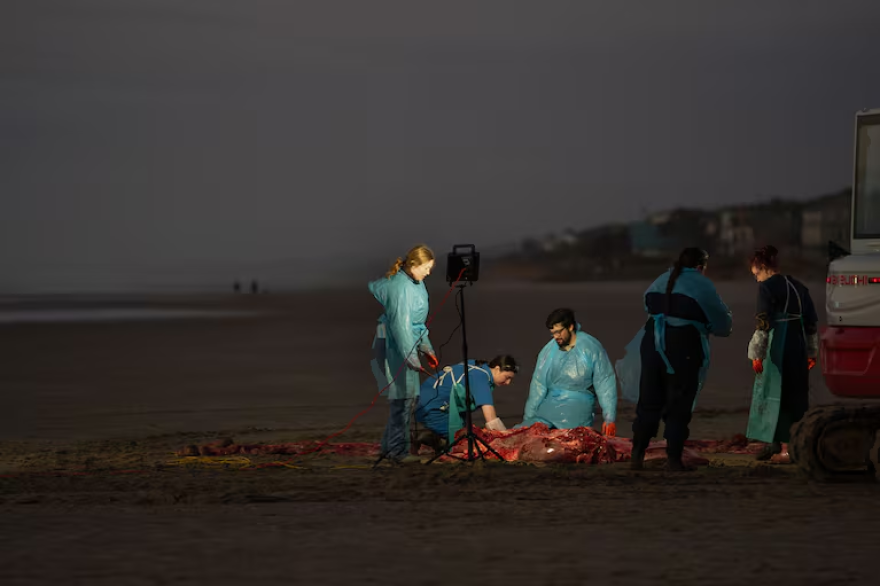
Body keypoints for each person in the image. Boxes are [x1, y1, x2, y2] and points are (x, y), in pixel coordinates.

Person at [628, 248, 733, 471]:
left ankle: (636, 455)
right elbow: (722, 323)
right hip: (683, 346)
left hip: (652, 343)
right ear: (700, 266)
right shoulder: (702, 284)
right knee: (679, 400)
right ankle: (674, 459)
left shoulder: (662, 279)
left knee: (649, 400)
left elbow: (648, 304)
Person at [746, 245, 819, 461]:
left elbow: (763, 322)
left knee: (772, 391)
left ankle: (773, 442)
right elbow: (812, 322)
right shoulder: (799, 287)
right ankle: (797, 442)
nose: (757, 279)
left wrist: (757, 354)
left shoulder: (767, 288)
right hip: (797, 343)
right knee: (796, 392)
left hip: (777, 344)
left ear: (762, 267)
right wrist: (812, 351)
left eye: (756, 274)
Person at [368, 244, 439, 464]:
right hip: (395, 345)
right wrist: (412, 358)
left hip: (407, 344)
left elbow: (417, 325)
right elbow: (401, 327)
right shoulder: (401, 288)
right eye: (426, 268)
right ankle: (397, 451)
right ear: (414, 265)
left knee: (406, 399)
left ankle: (389, 448)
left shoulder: (417, 284)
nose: (428, 273)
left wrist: (427, 349)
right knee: (403, 399)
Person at [520, 308, 618, 434]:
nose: (556, 337)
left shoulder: (590, 347)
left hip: (578, 409)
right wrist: (528, 419)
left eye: (559, 332)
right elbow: (538, 385)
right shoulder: (549, 351)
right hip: (549, 407)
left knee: (571, 441)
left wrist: (609, 418)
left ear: (570, 327)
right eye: (553, 333)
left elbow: (604, 381)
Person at [413, 355, 519, 453]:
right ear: (496, 369)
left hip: (425, 401)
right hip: (432, 410)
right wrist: (508, 440)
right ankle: (430, 441)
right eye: (507, 377)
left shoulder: (477, 365)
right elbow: (491, 420)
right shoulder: (481, 378)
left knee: (470, 431)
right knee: (467, 440)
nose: (508, 383)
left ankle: (434, 437)